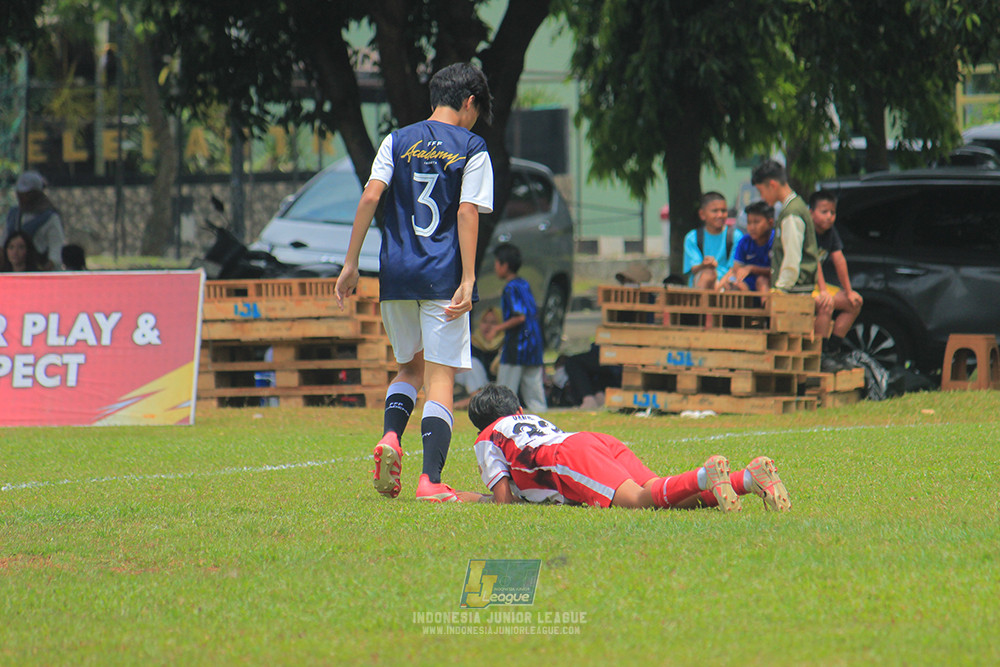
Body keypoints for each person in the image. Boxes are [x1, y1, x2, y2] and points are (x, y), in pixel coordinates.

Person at [335, 62, 494, 503]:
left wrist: (351, 265)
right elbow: (466, 212)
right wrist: (469, 276)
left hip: (397, 273)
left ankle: (390, 436)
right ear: (468, 102)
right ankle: (430, 481)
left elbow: (370, 195)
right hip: (442, 275)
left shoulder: (396, 139)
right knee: (440, 379)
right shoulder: (473, 146)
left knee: (409, 368)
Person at [456, 383, 791, 511]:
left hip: (568, 457)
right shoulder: (526, 418)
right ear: (516, 408)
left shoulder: (487, 435)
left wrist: (469, 497)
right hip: (593, 440)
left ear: (481, 422)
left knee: (639, 502)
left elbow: (504, 501)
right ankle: (748, 479)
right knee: (663, 494)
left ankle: (706, 476)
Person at [483, 242, 547, 413]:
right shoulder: (524, 284)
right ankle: (541, 416)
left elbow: (519, 316)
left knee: (505, 387)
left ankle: (503, 419)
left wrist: (497, 329)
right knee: (534, 387)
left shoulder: (510, 288)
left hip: (518, 344)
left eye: (497, 263)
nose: (496, 267)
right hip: (534, 342)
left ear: (504, 265)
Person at [809, 190, 864, 369]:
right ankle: (820, 354)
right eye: (824, 212)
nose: (829, 217)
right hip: (805, 285)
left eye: (832, 212)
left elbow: (839, 260)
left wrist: (848, 291)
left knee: (855, 303)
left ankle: (833, 349)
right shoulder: (807, 231)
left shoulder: (830, 232)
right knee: (826, 304)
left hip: (820, 287)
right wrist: (824, 291)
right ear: (811, 212)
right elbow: (814, 262)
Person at [751, 160, 818, 295]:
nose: (762, 197)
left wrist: (782, 288)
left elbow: (792, 254)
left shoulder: (791, 213)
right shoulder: (792, 207)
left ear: (772, 185)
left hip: (794, 291)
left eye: (761, 191)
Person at [4, 170, 65, 270]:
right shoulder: (13, 215)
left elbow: (55, 254)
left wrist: (40, 274)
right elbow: (3, 245)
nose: (22, 198)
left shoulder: (50, 218)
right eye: (20, 193)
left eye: (27, 194)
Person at [682, 192, 743, 289]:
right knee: (708, 274)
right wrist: (704, 265)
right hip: (702, 284)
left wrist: (720, 286)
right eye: (715, 211)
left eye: (723, 211)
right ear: (702, 214)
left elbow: (735, 268)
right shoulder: (692, 237)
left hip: (727, 283)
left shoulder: (736, 236)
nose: (720, 215)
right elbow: (693, 268)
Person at [719, 201, 774, 294]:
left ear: (770, 222)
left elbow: (777, 271)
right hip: (747, 286)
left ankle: (767, 306)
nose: (752, 227)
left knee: (762, 281)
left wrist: (752, 268)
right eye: (749, 223)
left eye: (756, 222)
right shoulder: (744, 242)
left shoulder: (776, 241)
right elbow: (737, 269)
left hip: (770, 285)